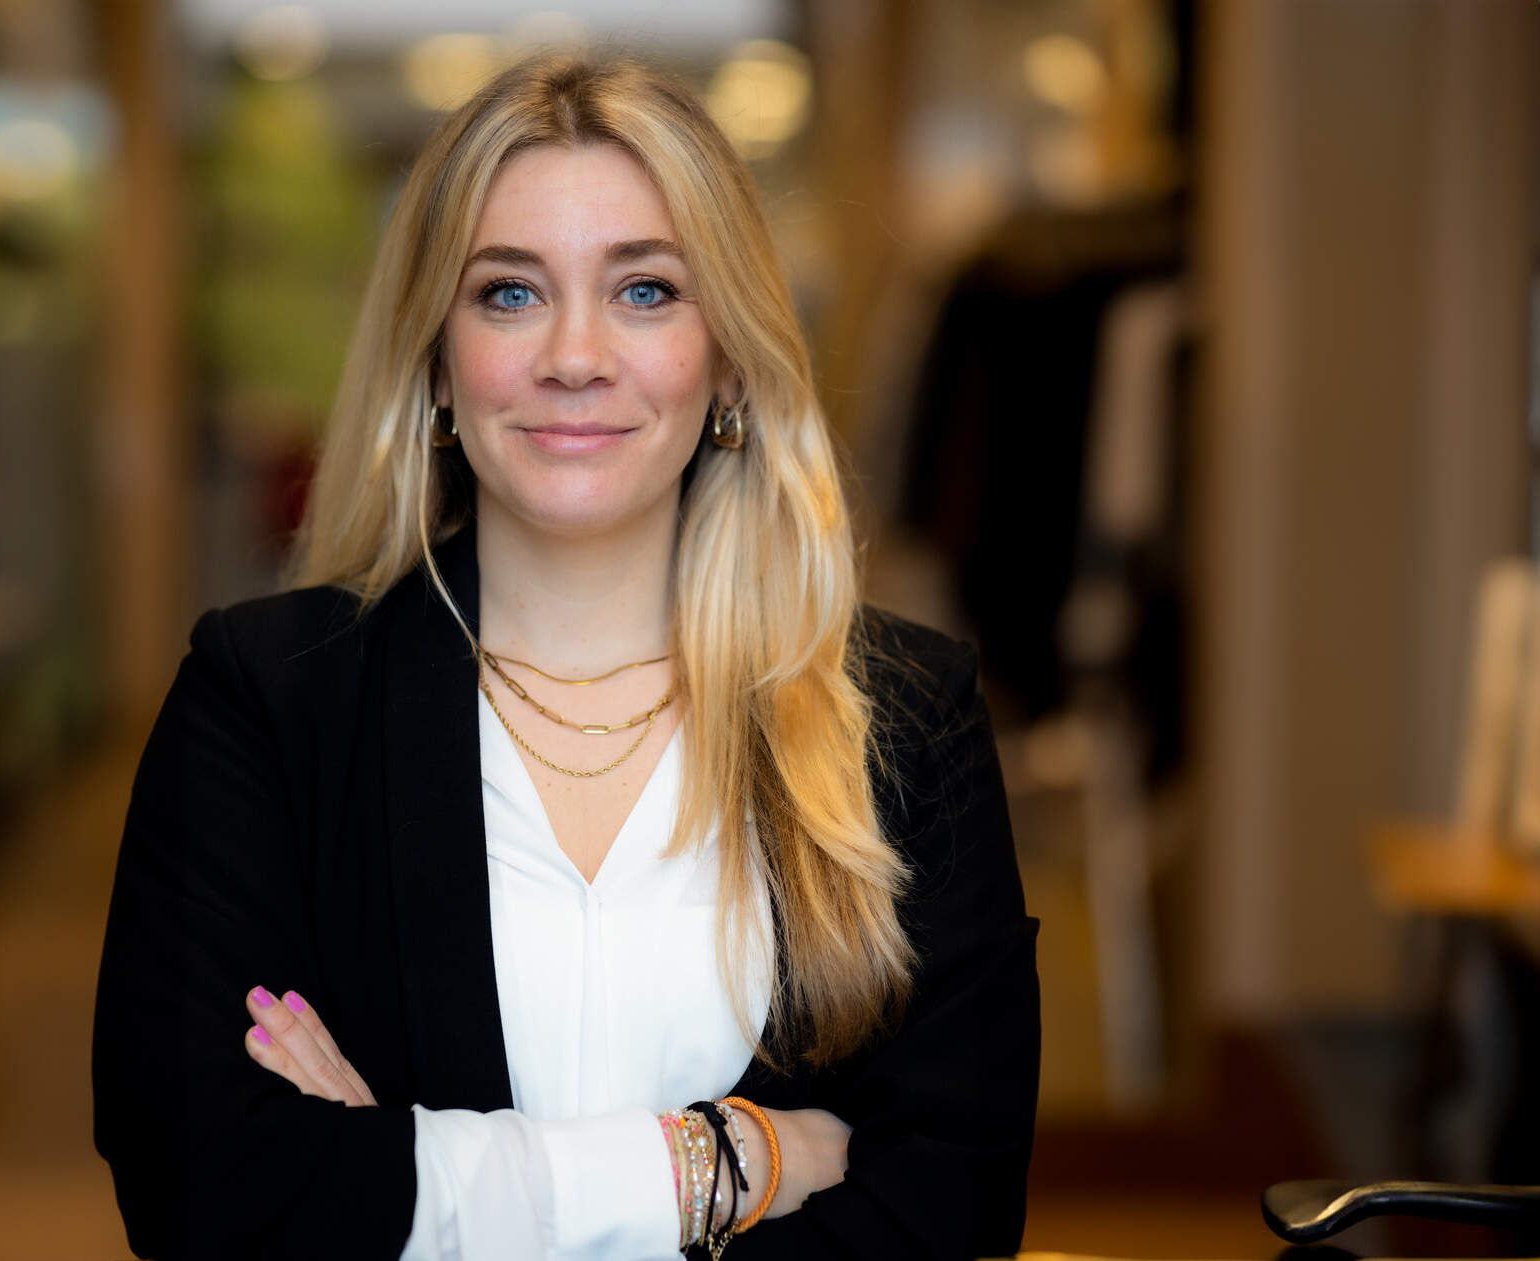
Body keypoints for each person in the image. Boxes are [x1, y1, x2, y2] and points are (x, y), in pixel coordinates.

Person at [92, 51, 1039, 1261]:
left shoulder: (906, 717)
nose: (574, 355)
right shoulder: (266, 704)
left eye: (644, 290)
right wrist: (719, 1165)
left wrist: (398, 1178)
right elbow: (203, 1192)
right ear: (436, 359)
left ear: (729, 354)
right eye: (508, 293)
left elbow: (951, 1207)